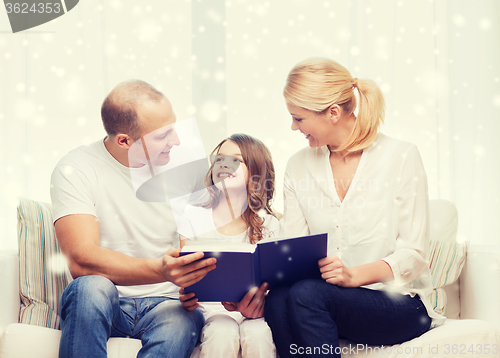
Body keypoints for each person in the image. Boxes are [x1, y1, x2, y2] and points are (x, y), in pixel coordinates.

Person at [264, 58, 445, 358]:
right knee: (278, 298)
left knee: (306, 295)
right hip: (327, 300)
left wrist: (353, 275)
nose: (293, 127)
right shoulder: (298, 166)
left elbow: (414, 254)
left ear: (333, 112)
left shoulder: (400, 156)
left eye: (298, 118)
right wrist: (258, 287)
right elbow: (292, 249)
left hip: (400, 303)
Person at [51, 80, 217, 358]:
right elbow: (81, 259)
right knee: (90, 287)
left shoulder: (185, 165)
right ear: (125, 140)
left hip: (169, 303)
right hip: (108, 301)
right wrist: (161, 270)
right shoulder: (77, 168)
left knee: (182, 320)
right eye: (162, 135)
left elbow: (206, 242)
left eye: (174, 128)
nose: (175, 141)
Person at [178, 133, 279, 358]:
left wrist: (260, 303)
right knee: (222, 332)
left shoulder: (269, 224)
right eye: (219, 158)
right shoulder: (193, 217)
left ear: (256, 171)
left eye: (236, 160)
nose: (224, 164)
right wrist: (185, 294)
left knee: (259, 334)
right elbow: (187, 276)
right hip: (210, 312)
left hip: (255, 314)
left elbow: (275, 283)